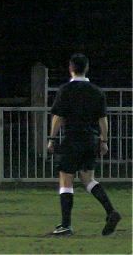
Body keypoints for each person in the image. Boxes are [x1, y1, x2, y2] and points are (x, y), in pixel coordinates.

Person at [46, 53, 120, 236]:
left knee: (66, 180)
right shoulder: (96, 91)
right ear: (86, 69)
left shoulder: (65, 90)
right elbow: (103, 119)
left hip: (72, 139)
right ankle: (111, 211)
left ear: (71, 69)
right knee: (88, 180)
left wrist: (52, 139)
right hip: (90, 140)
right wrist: (104, 141)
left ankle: (66, 225)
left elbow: (58, 117)